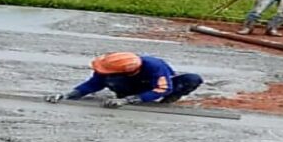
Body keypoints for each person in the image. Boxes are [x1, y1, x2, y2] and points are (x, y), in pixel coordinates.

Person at [45, 52, 204, 108]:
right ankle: (123, 96)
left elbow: (163, 88)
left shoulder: (155, 66)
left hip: (151, 88)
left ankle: (167, 103)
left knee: (192, 79)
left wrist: (131, 100)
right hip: (130, 87)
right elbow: (93, 84)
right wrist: (67, 95)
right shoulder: (110, 71)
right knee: (112, 80)